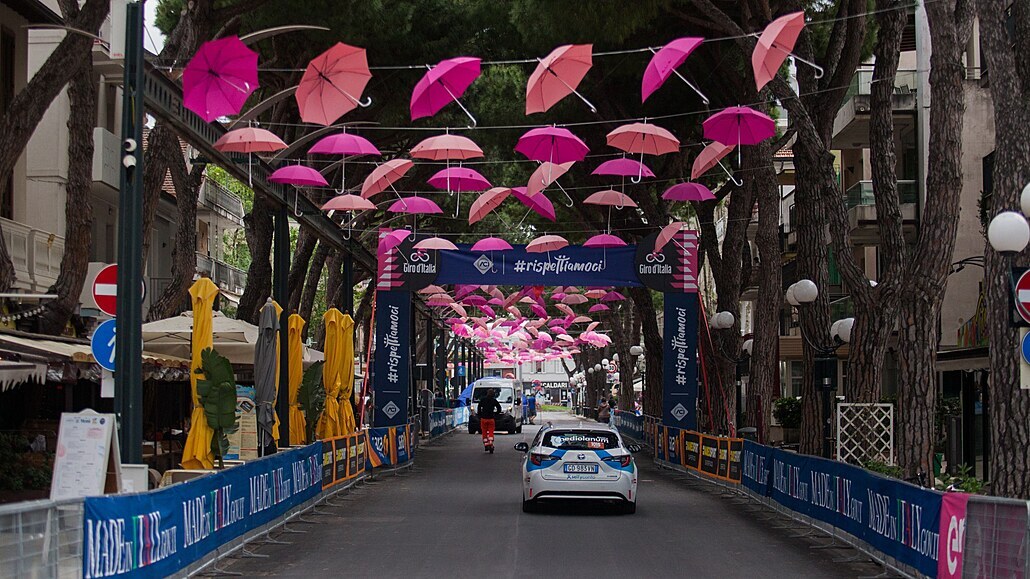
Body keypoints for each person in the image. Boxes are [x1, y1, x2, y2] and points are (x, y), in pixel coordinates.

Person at [477, 388, 502, 453]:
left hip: (483, 418)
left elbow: (479, 407)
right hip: (491, 418)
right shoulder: (494, 400)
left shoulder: (483, 400)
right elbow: (499, 408)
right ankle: (490, 442)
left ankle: (486, 444)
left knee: (484, 431)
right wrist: (496, 413)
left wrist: (480, 414)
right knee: (491, 431)